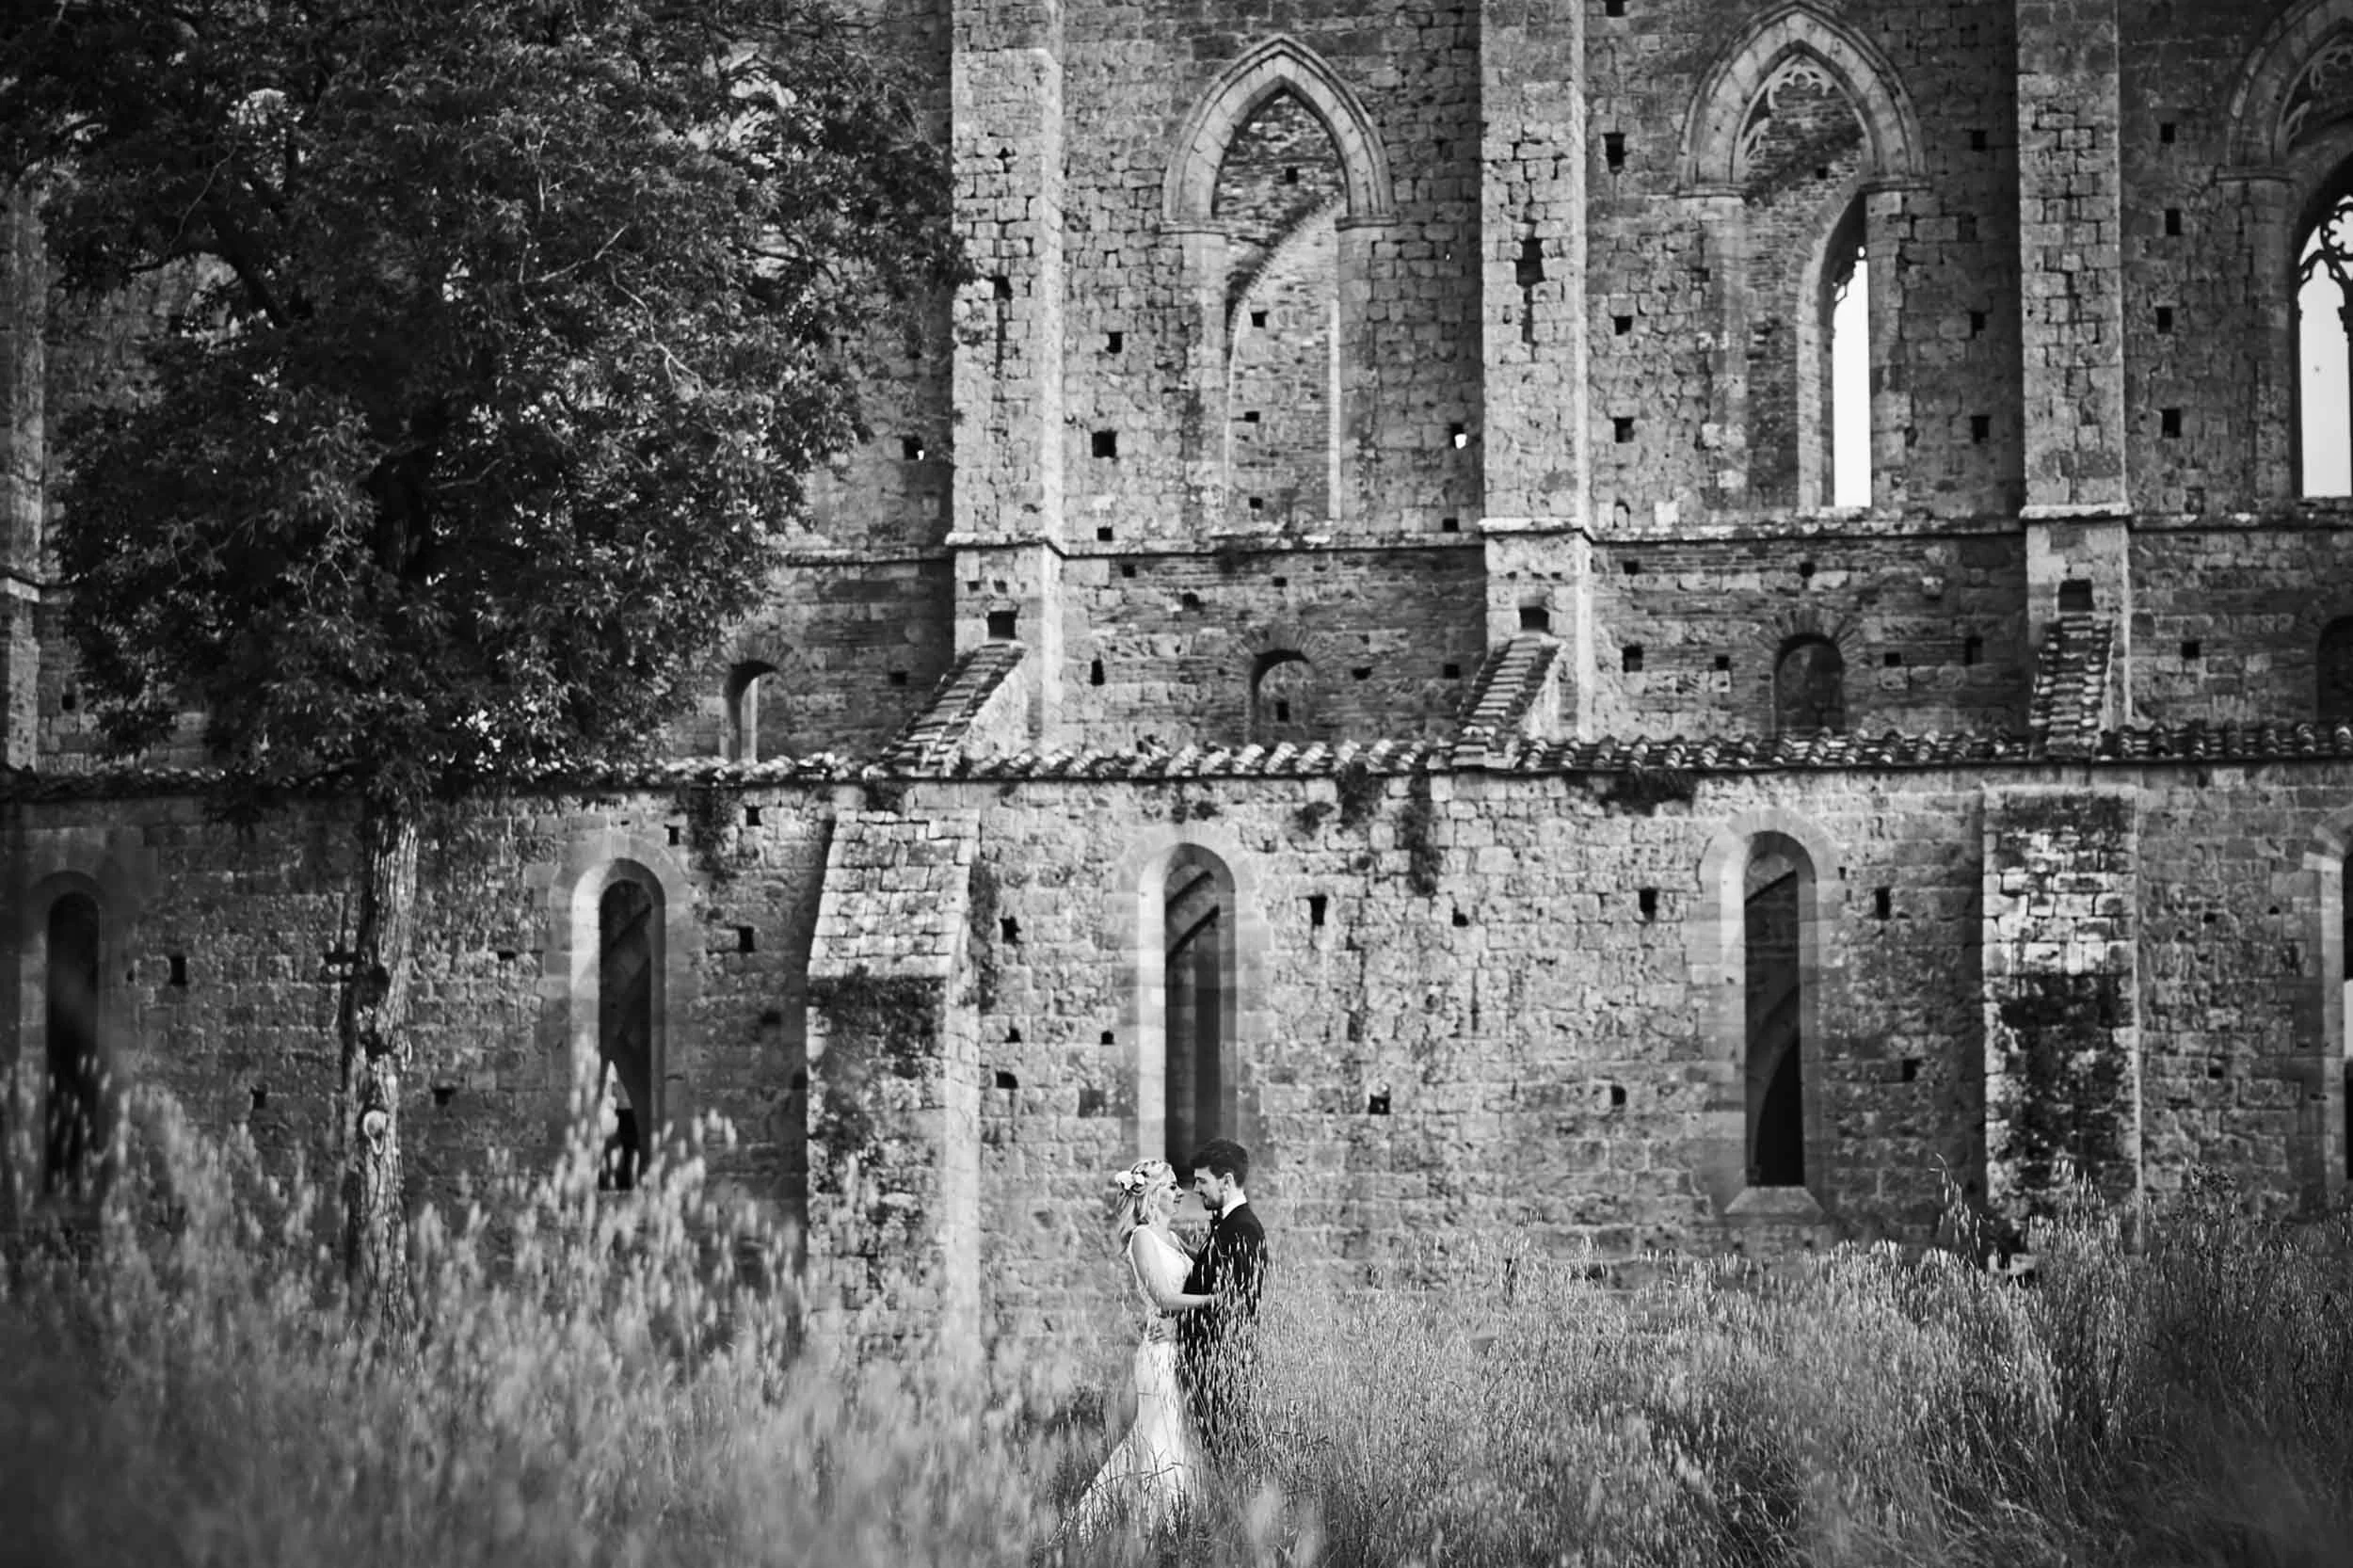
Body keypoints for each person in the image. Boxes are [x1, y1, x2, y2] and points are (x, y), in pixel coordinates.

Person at [1064, 1158, 1212, 1537]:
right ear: (1151, 1196)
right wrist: (1216, 1299)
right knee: (1161, 1435)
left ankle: (1173, 1519)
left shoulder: (1173, 1238)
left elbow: (1203, 1269)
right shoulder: (1143, 1238)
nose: (1180, 1194)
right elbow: (1163, 1296)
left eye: (1180, 1187)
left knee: (1174, 1433)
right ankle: (1152, 1525)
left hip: (1175, 1347)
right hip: (1158, 1353)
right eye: (1172, 1188)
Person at [1176, 1138, 1268, 1463]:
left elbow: (1239, 1299)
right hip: (1210, 1361)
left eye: (1202, 1181)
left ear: (1226, 1181)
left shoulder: (1243, 1228)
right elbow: (1217, 1276)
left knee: (1225, 1454)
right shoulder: (1228, 1224)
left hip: (1222, 1363)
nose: (1196, 1189)